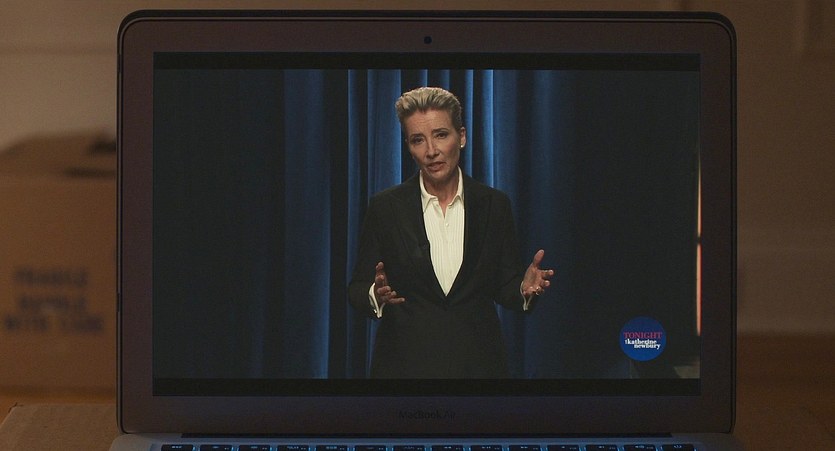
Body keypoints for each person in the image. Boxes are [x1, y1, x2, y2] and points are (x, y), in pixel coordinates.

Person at [348, 86, 553, 378]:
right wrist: (375, 294)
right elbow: (357, 288)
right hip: (404, 369)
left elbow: (504, 285)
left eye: (441, 135)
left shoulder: (494, 204)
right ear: (408, 146)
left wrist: (523, 288)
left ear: (462, 137)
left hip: (479, 368)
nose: (431, 151)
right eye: (418, 140)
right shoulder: (385, 208)